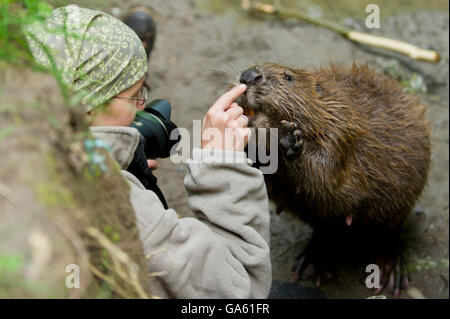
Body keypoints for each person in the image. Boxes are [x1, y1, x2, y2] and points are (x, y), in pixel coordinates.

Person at [25, 5, 271, 298]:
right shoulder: (126, 215)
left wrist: (115, 158)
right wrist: (222, 166)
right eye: (135, 94)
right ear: (87, 109)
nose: (143, 105)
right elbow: (241, 288)